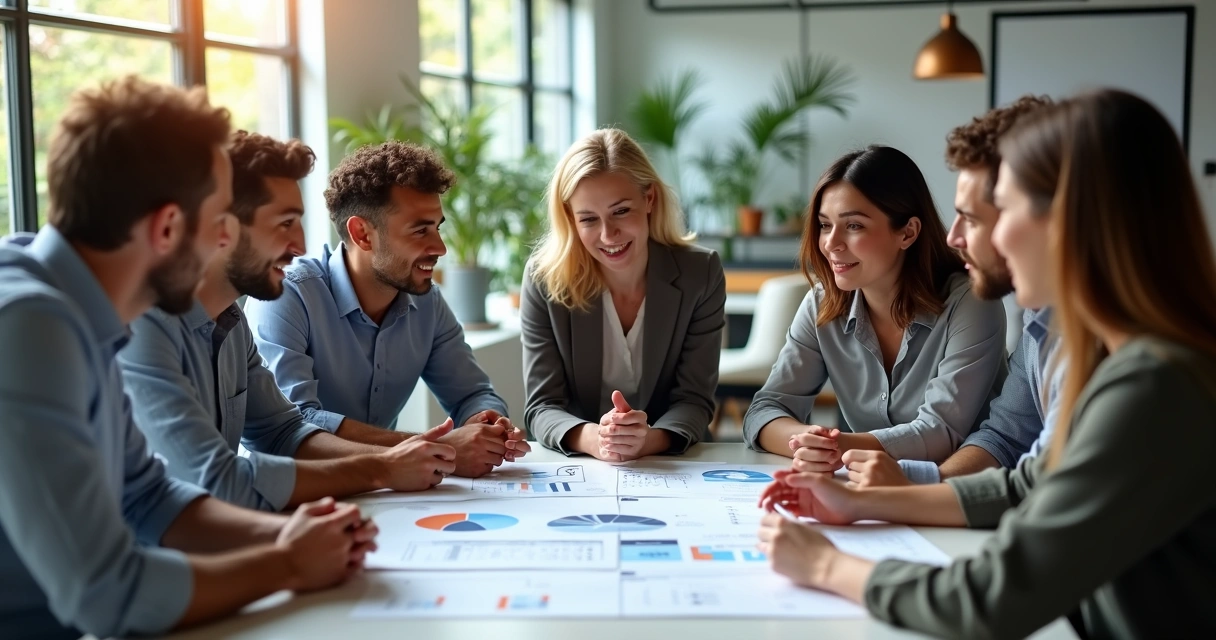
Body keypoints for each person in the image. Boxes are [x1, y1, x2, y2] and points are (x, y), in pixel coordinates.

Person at [757, 89, 1216, 639]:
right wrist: (857, 502)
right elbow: (1029, 486)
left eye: (1002, 211)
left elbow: (995, 596)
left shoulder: (1152, 385)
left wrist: (825, 564)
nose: (967, 237)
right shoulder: (1118, 357)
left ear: (1070, 222)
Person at [0, 77, 375, 639]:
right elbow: (107, 594)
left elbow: (149, 497)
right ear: (169, 228)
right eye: (222, 218)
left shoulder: (82, 311)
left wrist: (292, 535)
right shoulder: (30, 325)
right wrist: (289, 563)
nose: (225, 240)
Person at [119, 131, 457, 512]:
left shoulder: (231, 323)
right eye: (284, 224)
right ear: (221, 228)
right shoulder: (143, 324)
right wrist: (380, 470)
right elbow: (214, 479)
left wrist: (392, 462)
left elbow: (283, 432)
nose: (299, 245)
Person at [244, 141, 529, 479]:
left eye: (437, 227)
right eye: (420, 230)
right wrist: (437, 448)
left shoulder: (427, 301)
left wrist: (486, 425)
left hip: (383, 495)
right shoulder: (287, 294)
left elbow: (472, 393)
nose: (440, 247)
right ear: (362, 234)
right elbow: (295, 423)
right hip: (293, 495)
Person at [742, 145, 1007, 469]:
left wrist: (835, 446)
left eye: (854, 226)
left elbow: (941, 433)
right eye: (825, 225)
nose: (831, 243)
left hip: (955, 494)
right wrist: (810, 442)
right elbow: (765, 409)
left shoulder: (971, 303)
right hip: (870, 491)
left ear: (907, 232)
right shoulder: (822, 304)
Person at [843, 96, 1058, 487]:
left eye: (973, 218)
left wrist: (831, 549)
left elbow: (1043, 499)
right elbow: (1004, 440)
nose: (953, 236)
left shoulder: (1132, 358)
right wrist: (903, 486)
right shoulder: (1041, 321)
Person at [522, 128, 726, 461]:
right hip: (582, 463)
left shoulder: (700, 273)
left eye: (620, 211)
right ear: (570, 220)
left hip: (671, 461)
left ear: (649, 199)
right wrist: (596, 438)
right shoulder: (544, 280)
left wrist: (649, 440)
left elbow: (694, 399)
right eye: (588, 218)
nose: (607, 234)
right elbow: (542, 406)